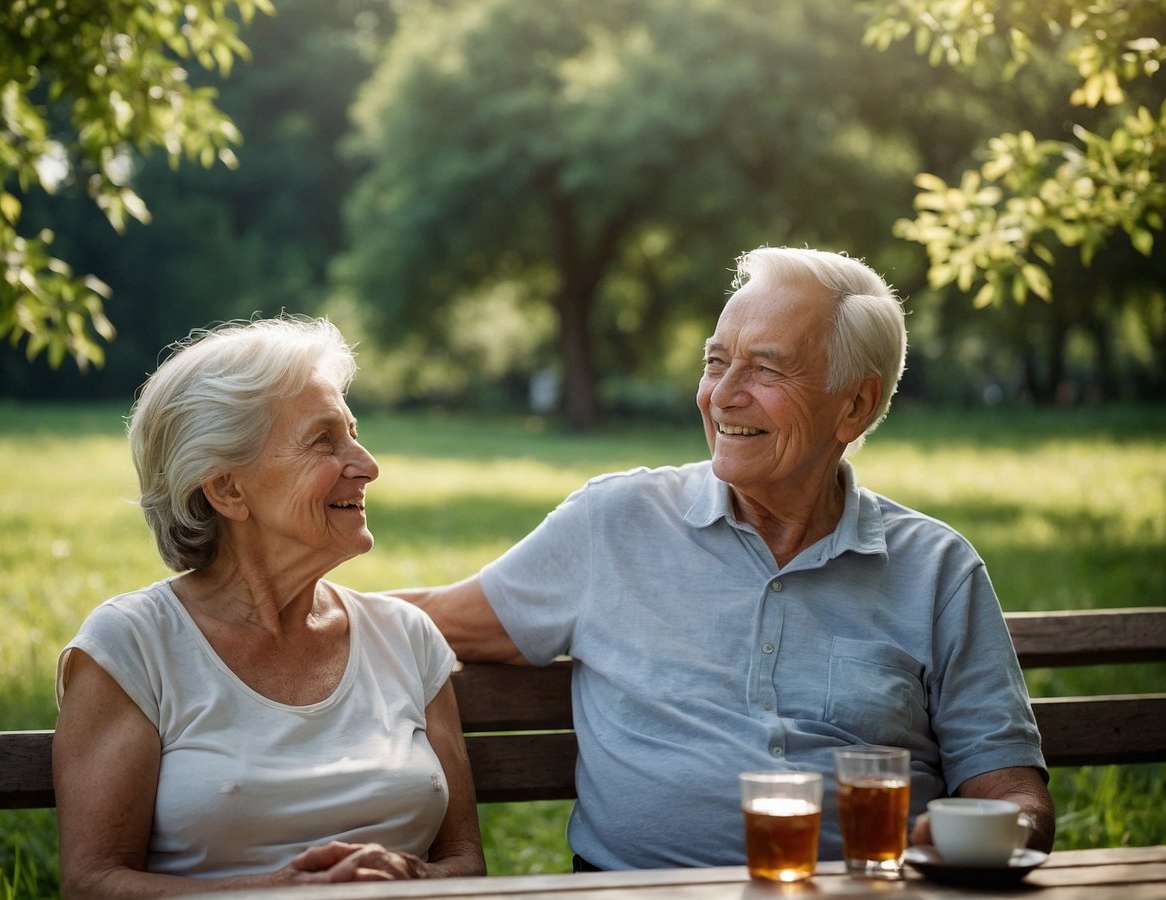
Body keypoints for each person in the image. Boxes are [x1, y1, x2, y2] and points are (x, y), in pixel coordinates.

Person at [393, 246, 1055, 870]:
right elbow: (426, 622)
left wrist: (986, 834)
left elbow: (1016, 796)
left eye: (766, 369)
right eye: (715, 362)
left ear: (854, 404)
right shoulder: (613, 525)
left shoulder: (937, 570)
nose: (723, 394)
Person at [53, 316, 485, 897]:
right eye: (324, 440)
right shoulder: (134, 646)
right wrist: (279, 890)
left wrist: (409, 877)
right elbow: (93, 883)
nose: (368, 464)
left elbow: (464, 864)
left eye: (353, 432)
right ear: (228, 489)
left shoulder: (406, 637)